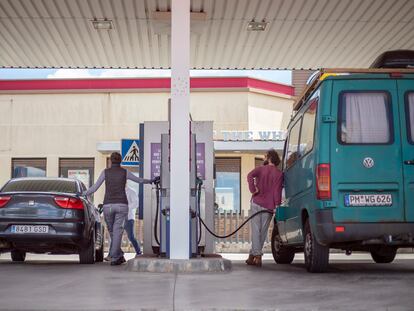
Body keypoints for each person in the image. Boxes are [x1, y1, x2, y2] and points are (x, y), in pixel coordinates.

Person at [84, 152, 154, 266]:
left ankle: (115, 255)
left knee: (113, 231)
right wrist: (150, 181)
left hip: (108, 206)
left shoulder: (105, 172)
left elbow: (95, 187)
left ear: (111, 161)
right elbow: (139, 180)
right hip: (121, 206)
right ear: (120, 161)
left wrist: (83, 193)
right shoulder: (124, 172)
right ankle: (117, 255)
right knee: (116, 232)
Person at [246, 149, 283, 267]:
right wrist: (277, 205)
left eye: (265, 156)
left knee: (256, 230)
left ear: (269, 158)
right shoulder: (279, 174)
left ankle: (256, 255)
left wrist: (253, 190)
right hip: (269, 206)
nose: (264, 159)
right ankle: (253, 256)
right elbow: (277, 192)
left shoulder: (261, 169)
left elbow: (249, 175)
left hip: (257, 203)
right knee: (263, 231)